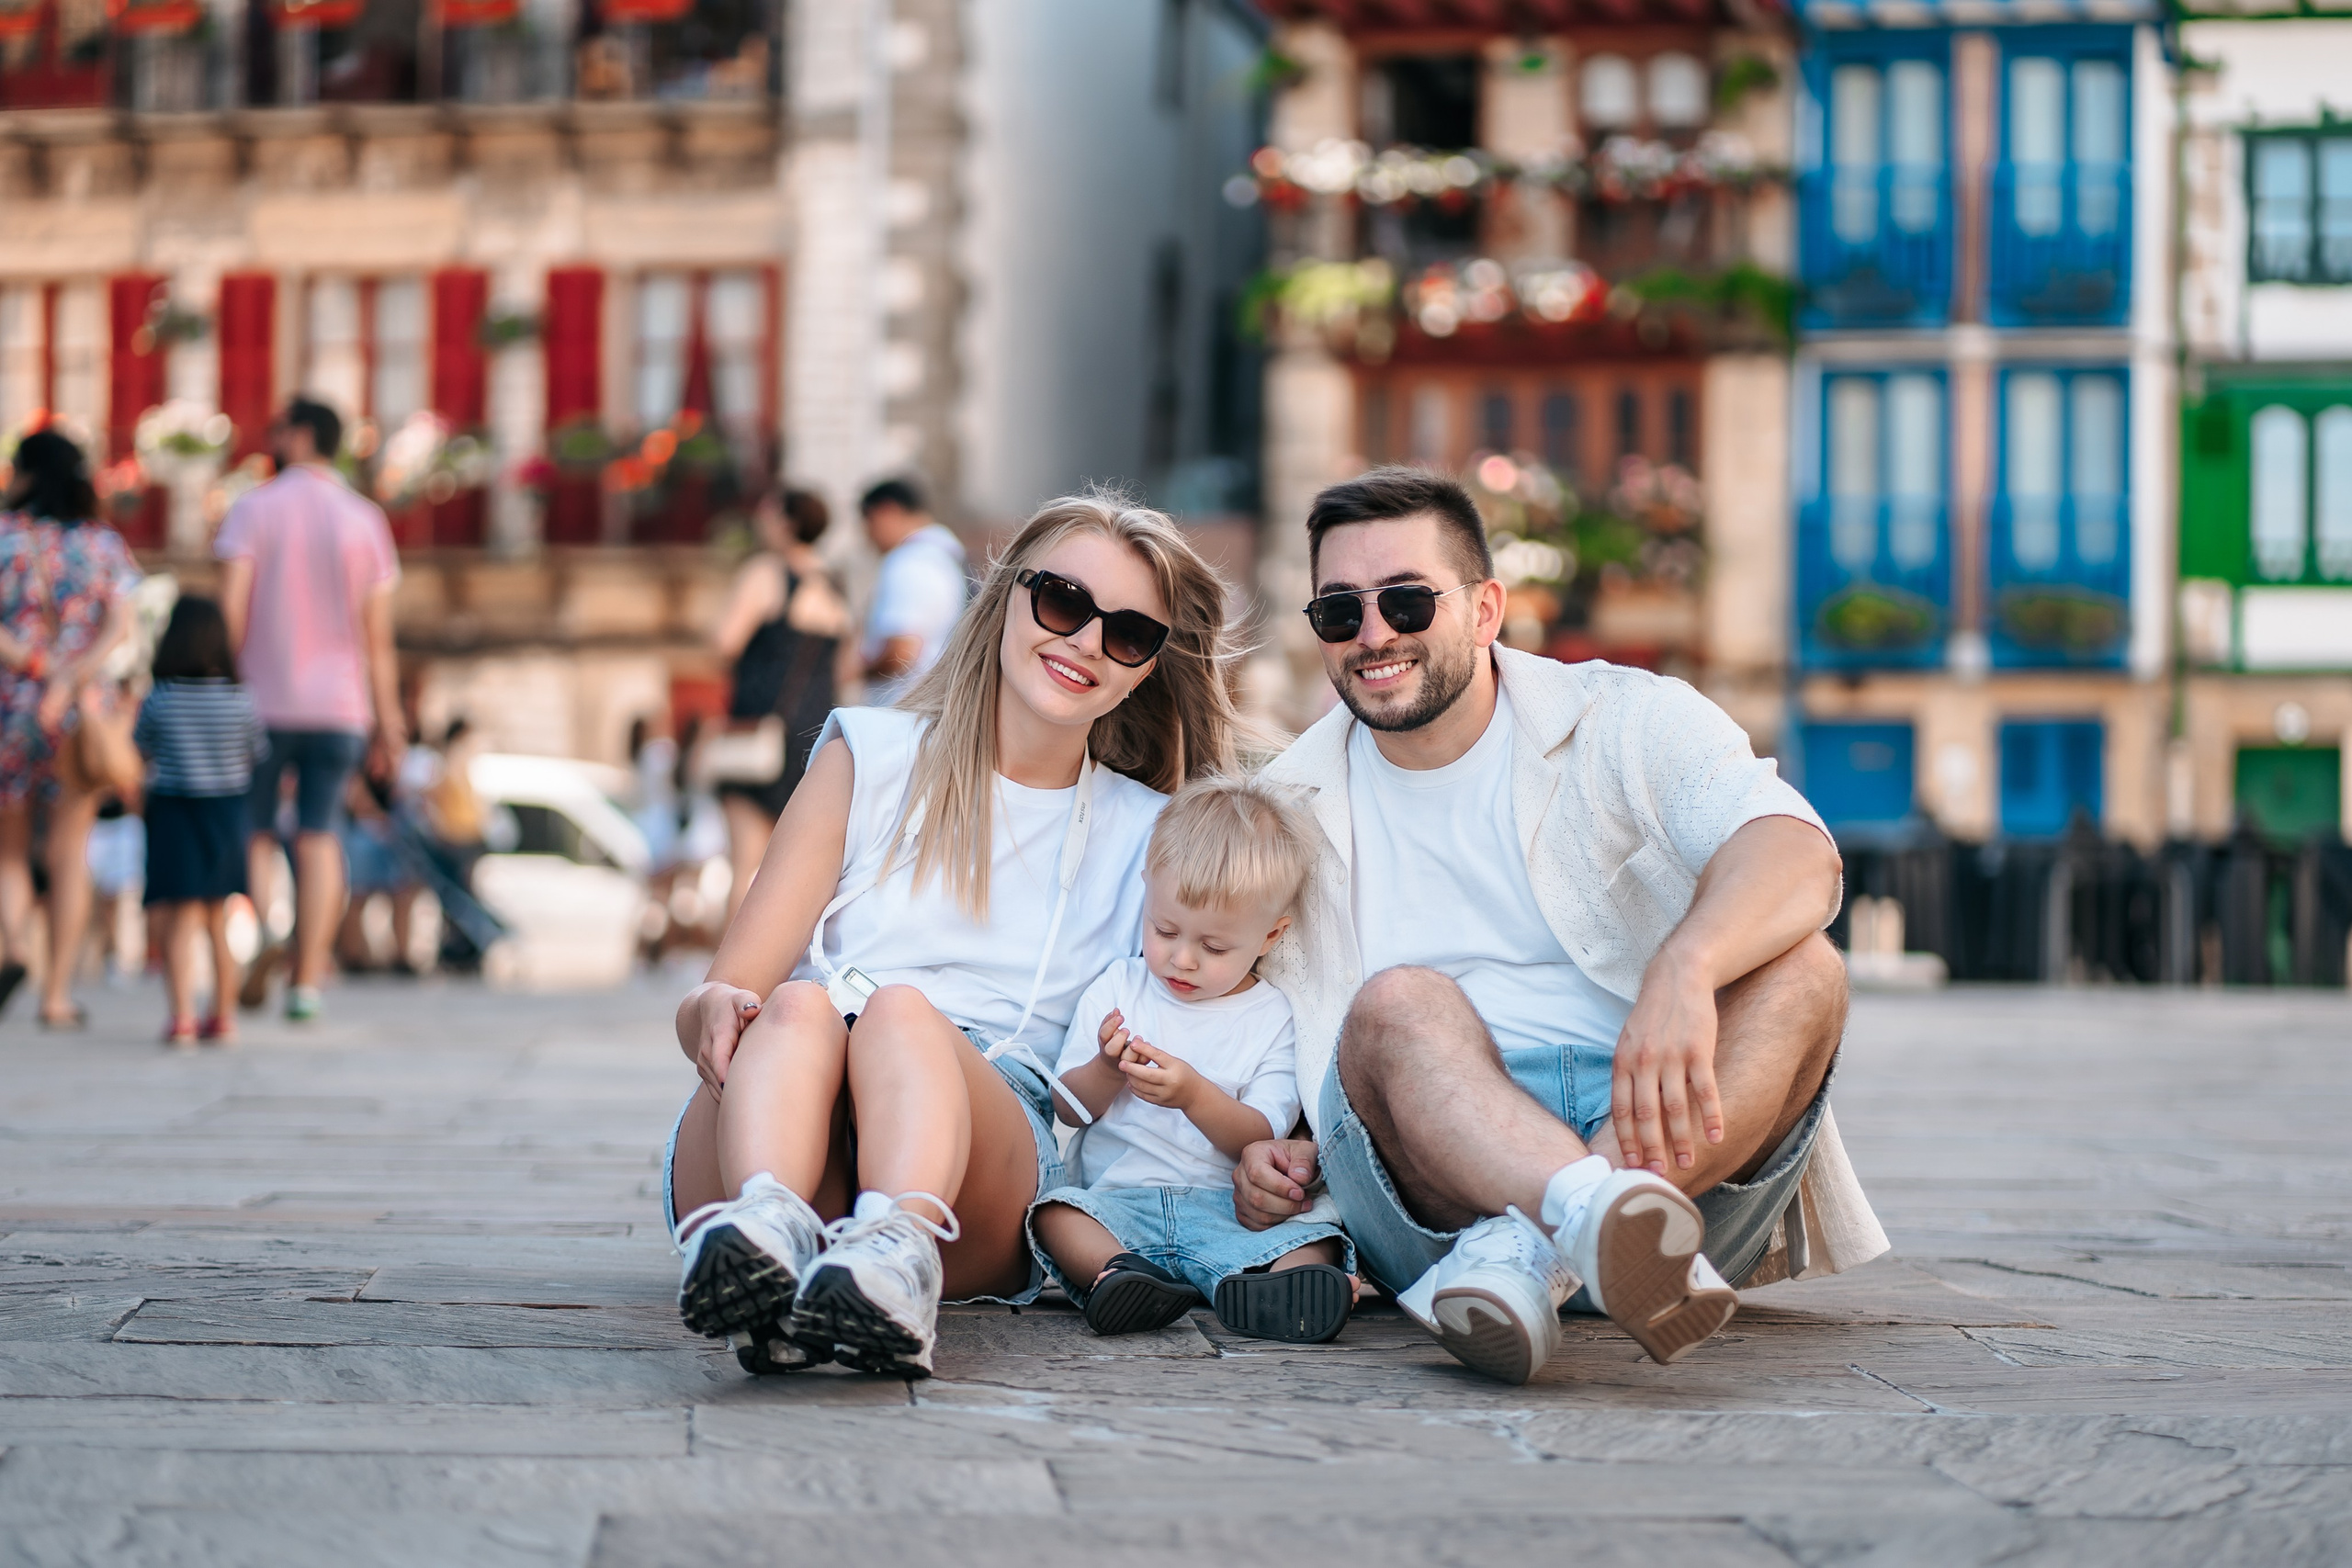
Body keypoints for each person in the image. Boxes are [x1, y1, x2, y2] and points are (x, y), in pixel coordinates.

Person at [1238, 467, 1887, 1386]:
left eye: (1408, 602)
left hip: (1674, 1168)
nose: (1373, 635)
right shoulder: (1281, 806)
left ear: (1486, 609)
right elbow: (1222, 999)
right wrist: (1257, 1145)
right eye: (1338, 612)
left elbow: (1795, 850)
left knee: (1806, 970)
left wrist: (1686, 968)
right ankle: (1584, 1218)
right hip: (1430, 1195)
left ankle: (1533, 1248)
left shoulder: (1625, 717)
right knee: (1399, 1002)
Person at [665, 491, 1243, 1379]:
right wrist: (712, 1010)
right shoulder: (867, 750)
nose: (1085, 640)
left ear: (1146, 669)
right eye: (1062, 601)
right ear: (1007, 596)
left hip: (982, 1151)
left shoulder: (1156, 833)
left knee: (901, 1012)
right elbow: (720, 992)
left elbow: (1222, 1001)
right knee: (797, 1007)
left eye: (1128, 633)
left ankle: (891, 1252)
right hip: (774, 1116)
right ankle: (769, 1238)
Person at [1030, 774, 1354, 1344]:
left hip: (1226, 1212)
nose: (1182, 959)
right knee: (1056, 1213)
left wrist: (1193, 1096)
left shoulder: (1272, 1016)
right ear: (1146, 894)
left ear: (1271, 937)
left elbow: (1260, 1135)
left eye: (1214, 947)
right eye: (1165, 930)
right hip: (1119, 1208)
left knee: (1319, 1236)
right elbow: (1068, 1108)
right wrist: (1106, 1071)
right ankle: (1120, 1277)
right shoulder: (1119, 987)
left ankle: (1280, 1287)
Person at [216, 398, 405, 1022]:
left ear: (298, 436)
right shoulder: (364, 519)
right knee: (321, 834)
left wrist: (221, 685)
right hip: (341, 707)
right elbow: (377, 640)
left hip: (261, 703)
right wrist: (390, 722)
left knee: (256, 828)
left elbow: (230, 615)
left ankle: (267, 929)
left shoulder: (254, 508)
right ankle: (306, 981)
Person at [0, 429, 139, 1029]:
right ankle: (57, 995)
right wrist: (73, 676)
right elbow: (121, 627)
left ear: (27, 474)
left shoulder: (3, 540)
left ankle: (14, 948)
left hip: (10, 706)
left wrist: (40, 669)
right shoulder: (103, 544)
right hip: (82, 712)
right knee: (69, 852)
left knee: (6, 848)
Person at [709, 486, 854, 923]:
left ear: (787, 522)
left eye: (769, 511)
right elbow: (847, 667)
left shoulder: (766, 574)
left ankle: (731, 978)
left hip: (761, 733)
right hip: (815, 737)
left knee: (744, 865)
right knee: (797, 868)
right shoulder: (834, 585)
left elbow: (724, 642)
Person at [133, 595, 265, 1046]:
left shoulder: (161, 697)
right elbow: (256, 752)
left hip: (174, 809)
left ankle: (182, 1016)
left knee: (180, 917)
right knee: (216, 917)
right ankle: (222, 1015)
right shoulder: (239, 699)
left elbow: (141, 748)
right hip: (226, 812)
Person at [855, 477, 966, 707]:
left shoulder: (909, 562)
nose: (868, 538)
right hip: (932, 704)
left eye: (868, 524)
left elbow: (902, 652)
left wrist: (856, 671)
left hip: (901, 708)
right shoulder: (946, 557)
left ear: (887, 512)